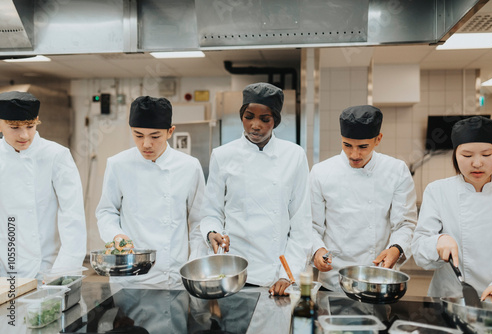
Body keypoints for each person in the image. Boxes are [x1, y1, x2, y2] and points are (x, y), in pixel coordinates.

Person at [199, 82, 312, 296]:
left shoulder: (294, 156)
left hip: (276, 275)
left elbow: (301, 222)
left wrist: (287, 274)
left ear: (276, 121)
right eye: (248, 116)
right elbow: (211, 211)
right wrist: (212, 232)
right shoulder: (222, 156)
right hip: (234, 273)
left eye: (265, 119)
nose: (255, 125)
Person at [96, 96, 205, 286]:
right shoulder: (118, 164)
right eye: (138, 135)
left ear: (170, 132)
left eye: (155, 136)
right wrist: (116, 236)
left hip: (172, 277)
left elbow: (198, 221)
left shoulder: (189, 166)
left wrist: (194, 264)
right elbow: (106, 211)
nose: (146, 144)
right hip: (129, 276)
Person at [310, 105, 417, 292]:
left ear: (378, 140)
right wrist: (317, 250)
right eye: (347, 145)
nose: (354, 154)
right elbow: (312, 225)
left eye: (363, 147)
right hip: (334, 278)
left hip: (378, 276)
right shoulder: (321, 172)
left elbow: (405, 224)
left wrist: (396, 248)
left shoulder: (396, 171)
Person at [412, 116, 492, 303]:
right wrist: (438, 241)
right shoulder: (438, 191)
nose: (477, 163)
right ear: (455, 155)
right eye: (467, 156)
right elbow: (419, 250)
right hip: (448, 298)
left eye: (486, 155)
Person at [0, 91, 86, 278]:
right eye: (14, 127)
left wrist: (63, 273)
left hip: (49, 267)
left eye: (30, 126)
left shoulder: (56, 155)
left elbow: (73, 217)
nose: (24, 135)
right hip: (4, 269)